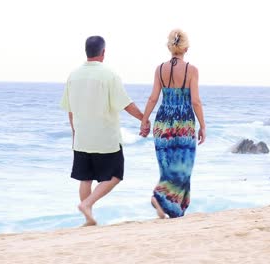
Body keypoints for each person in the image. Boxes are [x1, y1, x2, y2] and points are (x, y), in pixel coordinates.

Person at [60, 36, 150, 226]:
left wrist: (74, 133)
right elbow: (126, 104)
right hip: (105, 138)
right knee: (116, 174)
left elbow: (70, 109)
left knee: (86, 177)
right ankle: (87, 204)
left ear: (87, 51)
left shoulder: (73, 75)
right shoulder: (109, 75)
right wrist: (144, 119)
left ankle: (88, 218)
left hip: (82, 137)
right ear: (103, 52)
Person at [141, 29, 206, 219]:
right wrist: (203, 125)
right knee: (184, 166)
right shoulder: (192, 70)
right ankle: (161, 197)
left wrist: (145, 120)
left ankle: (170, 209)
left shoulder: (160, 69)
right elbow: (195, 101)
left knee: (167, 166)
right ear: (186, 47)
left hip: (163, 122)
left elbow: (153, 98)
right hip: (183, 122)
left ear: (170, 47)